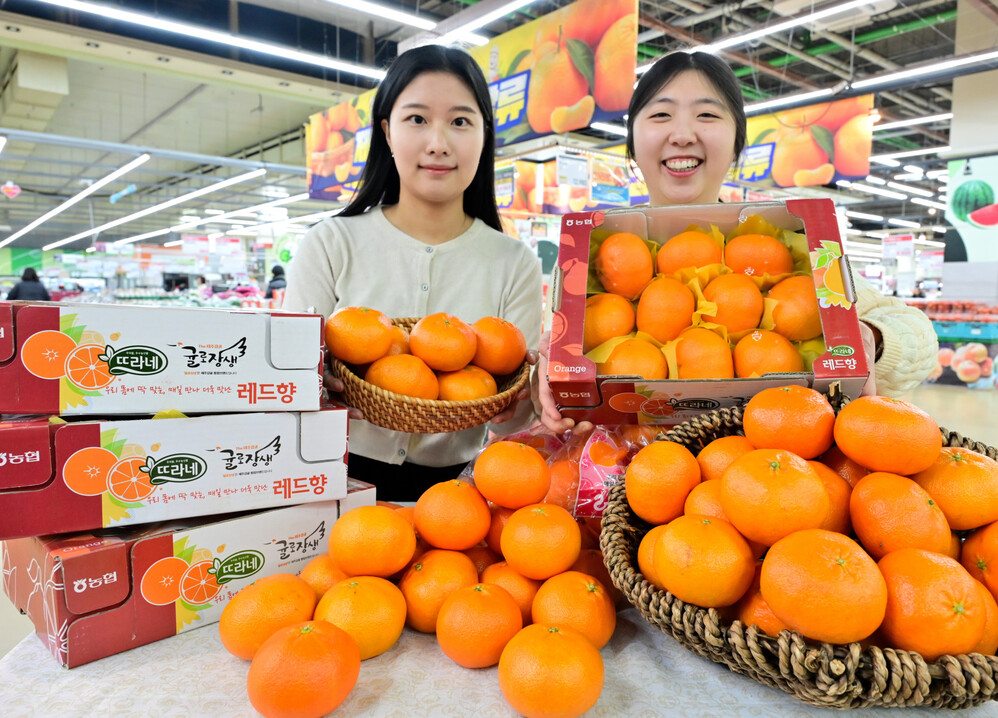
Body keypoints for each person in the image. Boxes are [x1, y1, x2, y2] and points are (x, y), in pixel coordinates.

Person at [535, 51, 939, 434]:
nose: (682, 134)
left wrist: (869, 335)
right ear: (633, 144)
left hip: (765, 473)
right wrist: (548, 375)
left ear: (736, 145)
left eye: (707, 115)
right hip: (630, 480)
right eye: (661, 114)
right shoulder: (591, 259)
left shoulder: (785, 241)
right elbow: (553, 392)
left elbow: (916, 332)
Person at [284, 45, 542, 501]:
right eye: (417, 119)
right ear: (386, 130)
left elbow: (518, 412)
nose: (438, 142)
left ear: (485, 134)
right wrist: (311, 382)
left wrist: (526, 398)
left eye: (460, 121)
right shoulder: (330, 243)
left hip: (458, 496)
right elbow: (284, 376)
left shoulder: (514, 262)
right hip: (329, 477)